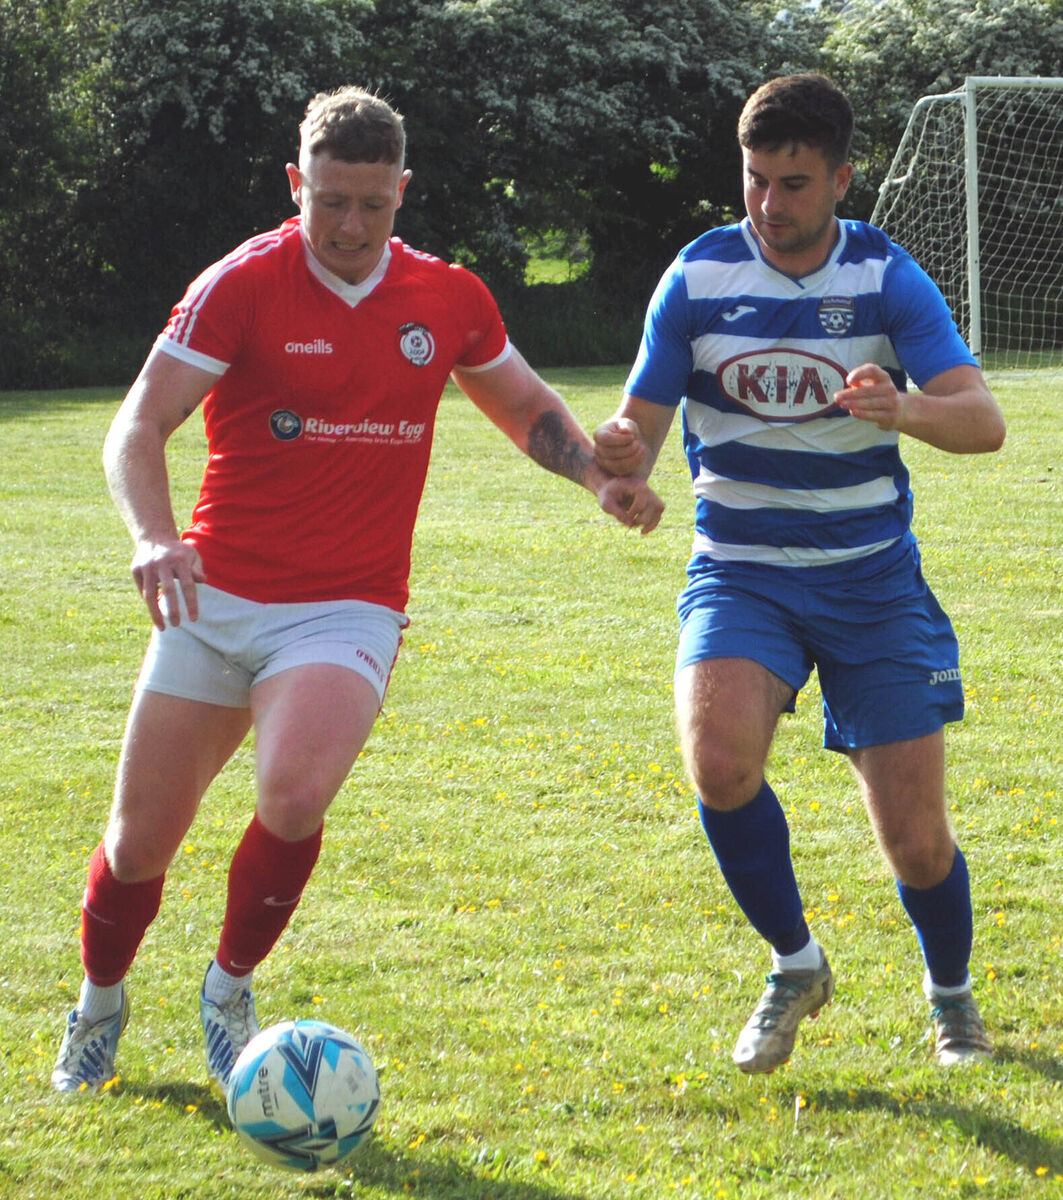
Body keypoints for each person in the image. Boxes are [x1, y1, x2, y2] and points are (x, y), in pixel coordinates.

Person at [52, 86, 663, 1095]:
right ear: (298, 183)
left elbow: (523, 407)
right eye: (329, 200)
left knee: (293, 795)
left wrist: (600, 478)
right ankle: (100, 1005)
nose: (348, 226)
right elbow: (136, 425)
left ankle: (226, 990)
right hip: (214, 597)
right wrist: (155, 538)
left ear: (401, 193)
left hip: (347, 605)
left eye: (371, 205)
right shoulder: (240, 285)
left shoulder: (447, 297)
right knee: (137, 841)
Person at [594, 73, 1005, 1073]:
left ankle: (950, 1000)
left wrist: (900, 407)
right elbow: (636, 429)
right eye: (754, 181)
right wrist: (619, 466)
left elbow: (982, 422)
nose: (768, 205)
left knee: (914, 842)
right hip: (740, 572)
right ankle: (794, 963)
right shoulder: (694, 277)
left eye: (792, 184)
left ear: (839, 180)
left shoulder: (883, 276)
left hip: (871, 579)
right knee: (720, 762)